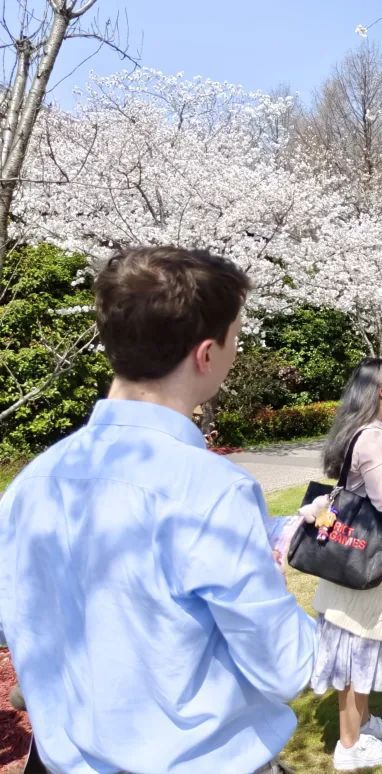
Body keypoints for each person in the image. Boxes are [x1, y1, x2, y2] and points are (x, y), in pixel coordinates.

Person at [0, 246, 315, 773]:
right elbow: (285, 666)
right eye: (235, 338)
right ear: (206, 353)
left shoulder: (29, 486)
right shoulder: (210, 490)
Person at [305, 358, 382, 771]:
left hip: (355, 565)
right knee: (357, 651)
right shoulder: (373, 440)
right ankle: (349, 744)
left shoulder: (365, 434)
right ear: (381, 389)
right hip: (369, 567)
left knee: (359, 647)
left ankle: (361, 723)